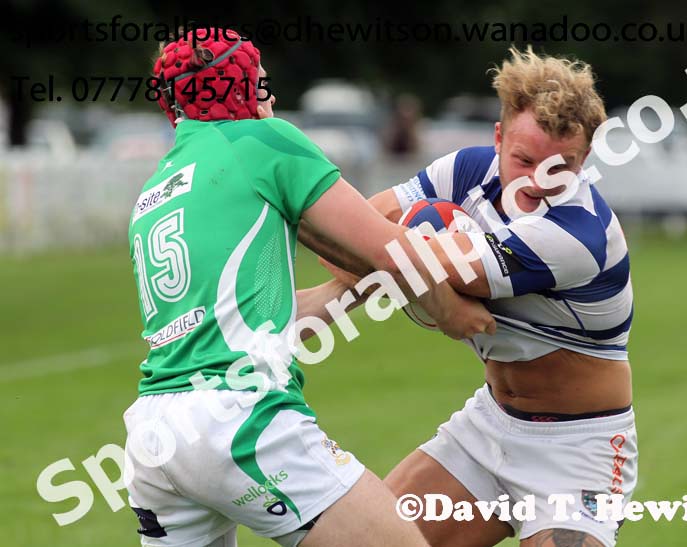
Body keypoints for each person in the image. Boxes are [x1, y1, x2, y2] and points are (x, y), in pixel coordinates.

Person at [125, 27, 495, 547]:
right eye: (260, 82)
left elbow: (264, 320)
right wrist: (449, 311)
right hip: (237, 417)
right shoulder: (261, 141)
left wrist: (362, 287)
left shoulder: (158, 187)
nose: (269, 96)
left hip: (156, 437)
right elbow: (388, 247)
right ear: (236, 87)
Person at [301, 46, 637, 547]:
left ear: (585, 158)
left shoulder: (577, 234)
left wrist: (378, 274)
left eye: (560, 168)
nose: (535, 184)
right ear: (498, 138)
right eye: (523, 160)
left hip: (577, 451)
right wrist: (363, 280)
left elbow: (392, 252)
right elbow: (345, 237)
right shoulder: (464, 171)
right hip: (486, 429)